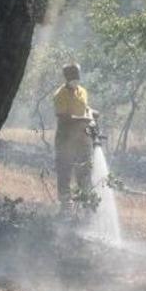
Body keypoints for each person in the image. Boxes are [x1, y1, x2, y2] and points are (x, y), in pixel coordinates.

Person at [53, 63, 94, 206]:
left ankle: (85, 204)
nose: (76, 79)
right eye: (72, 76)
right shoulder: (60, 94)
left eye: (77, 76)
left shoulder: (82, 91)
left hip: (82, 139)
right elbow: (63, 117)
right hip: (65, 139)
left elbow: (85, 107)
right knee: (65, 172)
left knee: (84, 171)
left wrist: (92, 113)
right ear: (66, 77)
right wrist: (84, 119)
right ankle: (65, 206)